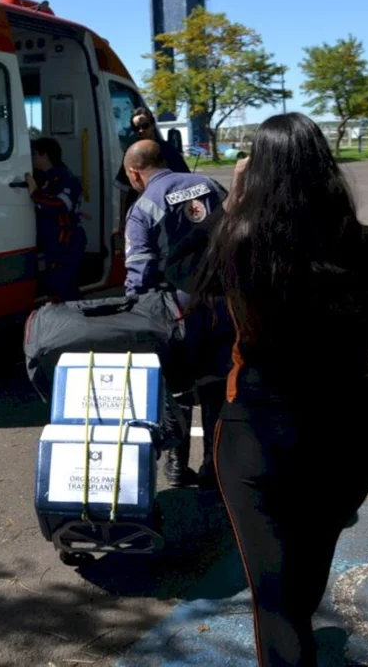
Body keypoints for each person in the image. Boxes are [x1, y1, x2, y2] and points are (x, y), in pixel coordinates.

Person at [192, 112, 368, 666]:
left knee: (275, 600)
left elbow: (192, 297)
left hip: (259, 433)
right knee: (309, 564)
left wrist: (236, 200)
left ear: (255, 175)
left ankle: (294, 649)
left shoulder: (235, 243)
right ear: (327, 170)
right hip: (348, 430)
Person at [121, 138, 227, 489]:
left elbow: (139, 268)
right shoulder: (209, 185)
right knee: (216, 384)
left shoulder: (143, 207)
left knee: (178, 387)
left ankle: (178, 467)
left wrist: (134, 311)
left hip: (177, 310)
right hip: (222, 301)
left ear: (135, 173)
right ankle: (215, 464)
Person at [113, 107, 191, 237]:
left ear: (153, 124)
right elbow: (124, 192)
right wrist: (122, 223)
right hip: (141, 217)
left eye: (144, 126)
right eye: (136, 128)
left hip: (169, 217)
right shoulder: (132, 154)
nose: (141, 131)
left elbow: (186, 184)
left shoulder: (169, 151)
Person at [26, 137, 86, 302]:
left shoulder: (66, 178)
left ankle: (79, 322)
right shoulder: (44, 178)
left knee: (65, 287)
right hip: (53, 242)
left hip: (66, 242)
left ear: (44, 155)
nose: (32, 158)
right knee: (54, 287)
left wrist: (34, 193)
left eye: (34, 154)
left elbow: (60, 204)